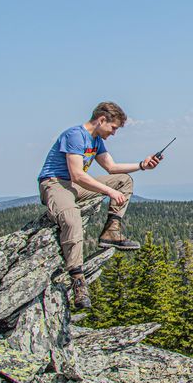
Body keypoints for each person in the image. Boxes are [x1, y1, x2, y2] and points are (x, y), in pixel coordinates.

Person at [37, 101, 162, 309]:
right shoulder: (75, 135)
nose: (113, 133)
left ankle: (111, 231)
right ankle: (78, 280)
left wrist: (142, 165)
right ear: (102, 120)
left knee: (124, 180)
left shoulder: (95, 141)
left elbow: (111, 168)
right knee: (71, 219)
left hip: (74, 184)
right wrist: (108, 191)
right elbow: (77, 174)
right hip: (55, 183)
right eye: (113, 128)